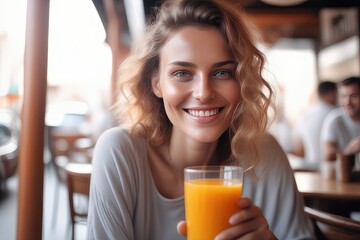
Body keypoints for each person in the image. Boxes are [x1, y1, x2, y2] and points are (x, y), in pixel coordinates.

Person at [87, 0, 315, 239]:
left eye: (222, 72)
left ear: (242, 82)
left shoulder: (264, 154)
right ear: (157, 83)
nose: (204, 92)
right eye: (182, 73)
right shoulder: (120, 151)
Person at [291, 81, 338, 171]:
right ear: (331, 94)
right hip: (334, 170)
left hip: (310, 169)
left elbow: (298, 146)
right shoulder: (337, 113)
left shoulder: (304, 116)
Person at [321, 77, 360, 167]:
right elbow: (328, 156)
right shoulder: (333, 120)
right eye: (343, 96)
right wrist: (350, 150)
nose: (347, 102)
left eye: (354, 96)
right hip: (344, 177)